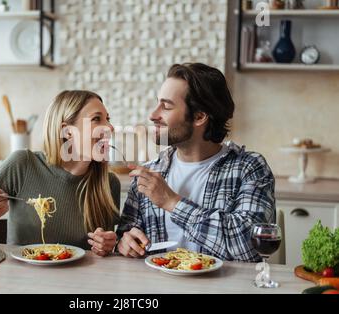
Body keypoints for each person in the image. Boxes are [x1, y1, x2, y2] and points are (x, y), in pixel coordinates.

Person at [116, 63, 276, 262]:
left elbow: (251, 247)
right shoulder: (151, 171)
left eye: (166, 106)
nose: (153, 115)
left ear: (199, 116)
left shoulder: (249, 168)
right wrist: (124, 242)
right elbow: (126, 235)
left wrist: (172, 202)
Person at [0, 90, 120, 256]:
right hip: (21, 278)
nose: (110, 127)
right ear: (67, 131)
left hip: (81, 280)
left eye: (107, 119)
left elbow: (104, 253)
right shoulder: (22, 164)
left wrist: (107, 245)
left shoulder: (109, 184)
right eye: (97, 119)